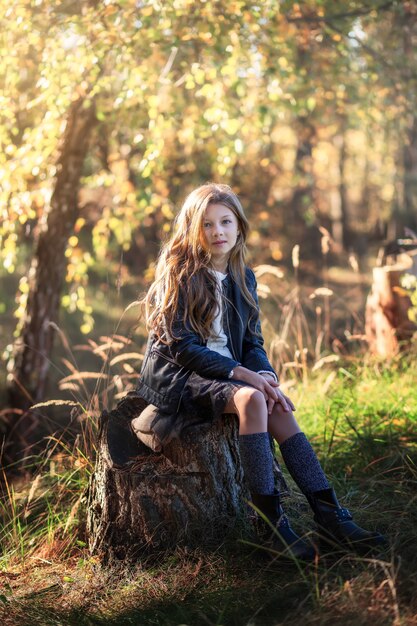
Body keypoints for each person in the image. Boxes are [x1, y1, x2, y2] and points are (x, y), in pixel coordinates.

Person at [136, 182, 386, 560]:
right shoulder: (179, 274)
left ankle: (331, 516)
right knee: (253, 399)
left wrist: (265, 374)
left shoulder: (242, 276)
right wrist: (245, 377)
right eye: (206, 224)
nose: (217, 231)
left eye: (225, 222)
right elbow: (182, 348)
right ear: (192, 229)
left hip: (230, 373)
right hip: (183, 375)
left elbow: (253, 342)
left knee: (277, 404)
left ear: (239, 227)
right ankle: (270, 528)